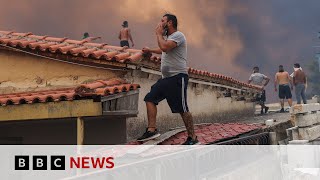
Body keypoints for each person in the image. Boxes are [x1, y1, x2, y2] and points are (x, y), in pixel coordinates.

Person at [138, 14, 199, 145]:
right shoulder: (169, 39)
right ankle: (152, 129)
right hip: (166, 79)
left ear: (170, 23)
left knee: (182, 108)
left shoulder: (178, 35)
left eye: (163, 21)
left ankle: (192, 137)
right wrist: (150, 50)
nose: (160, 23)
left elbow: (165, 47)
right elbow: (163, 49)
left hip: (178, 77)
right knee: (150, 98)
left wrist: (158, 34)